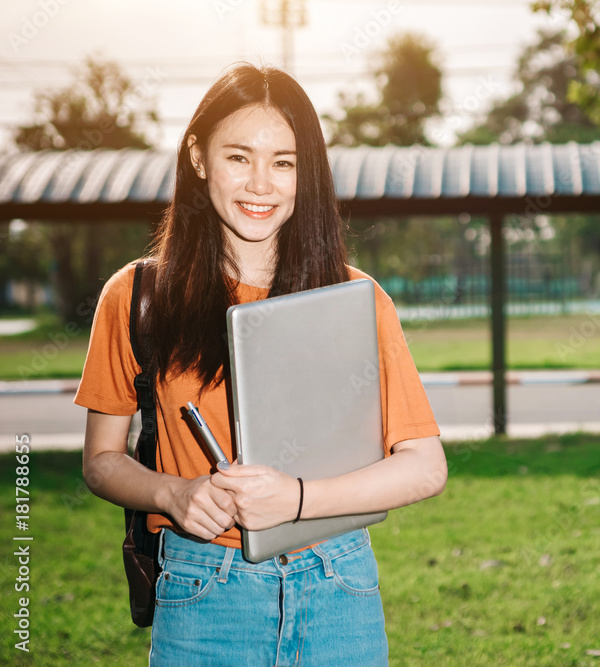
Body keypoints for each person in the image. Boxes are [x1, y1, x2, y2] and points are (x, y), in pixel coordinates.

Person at [75, 62, 447, 666]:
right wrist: (173, 493)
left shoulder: (356, 299)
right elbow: (101, 462)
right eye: (239, 157)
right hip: (203, 594)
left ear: (307, 174)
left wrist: (296, 499)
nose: (260, 184)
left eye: (283, 162)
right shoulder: (138, 296)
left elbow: (425, 467)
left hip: (338, 587)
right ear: (198, 158)